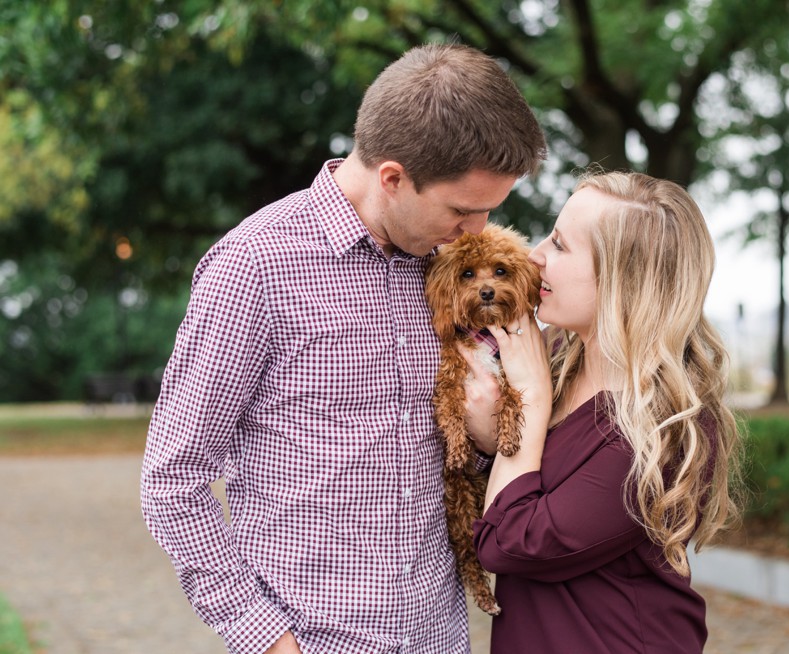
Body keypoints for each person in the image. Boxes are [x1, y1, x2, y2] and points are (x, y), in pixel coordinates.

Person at [140, 43, 546, 654]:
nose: (477, 231)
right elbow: (175, 477)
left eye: (490, 211)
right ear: (392, 178)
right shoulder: (255, 266)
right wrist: (266, 640)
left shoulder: (445, 271)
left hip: (439, 635)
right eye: (463, 210)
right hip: (314, 639)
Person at [468, 171, 743, 653]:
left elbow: (508, 542)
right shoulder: (555, 358)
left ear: (622, 281)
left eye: (559, 244)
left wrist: (529, 399)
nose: (535, 255)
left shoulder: (664, 427)